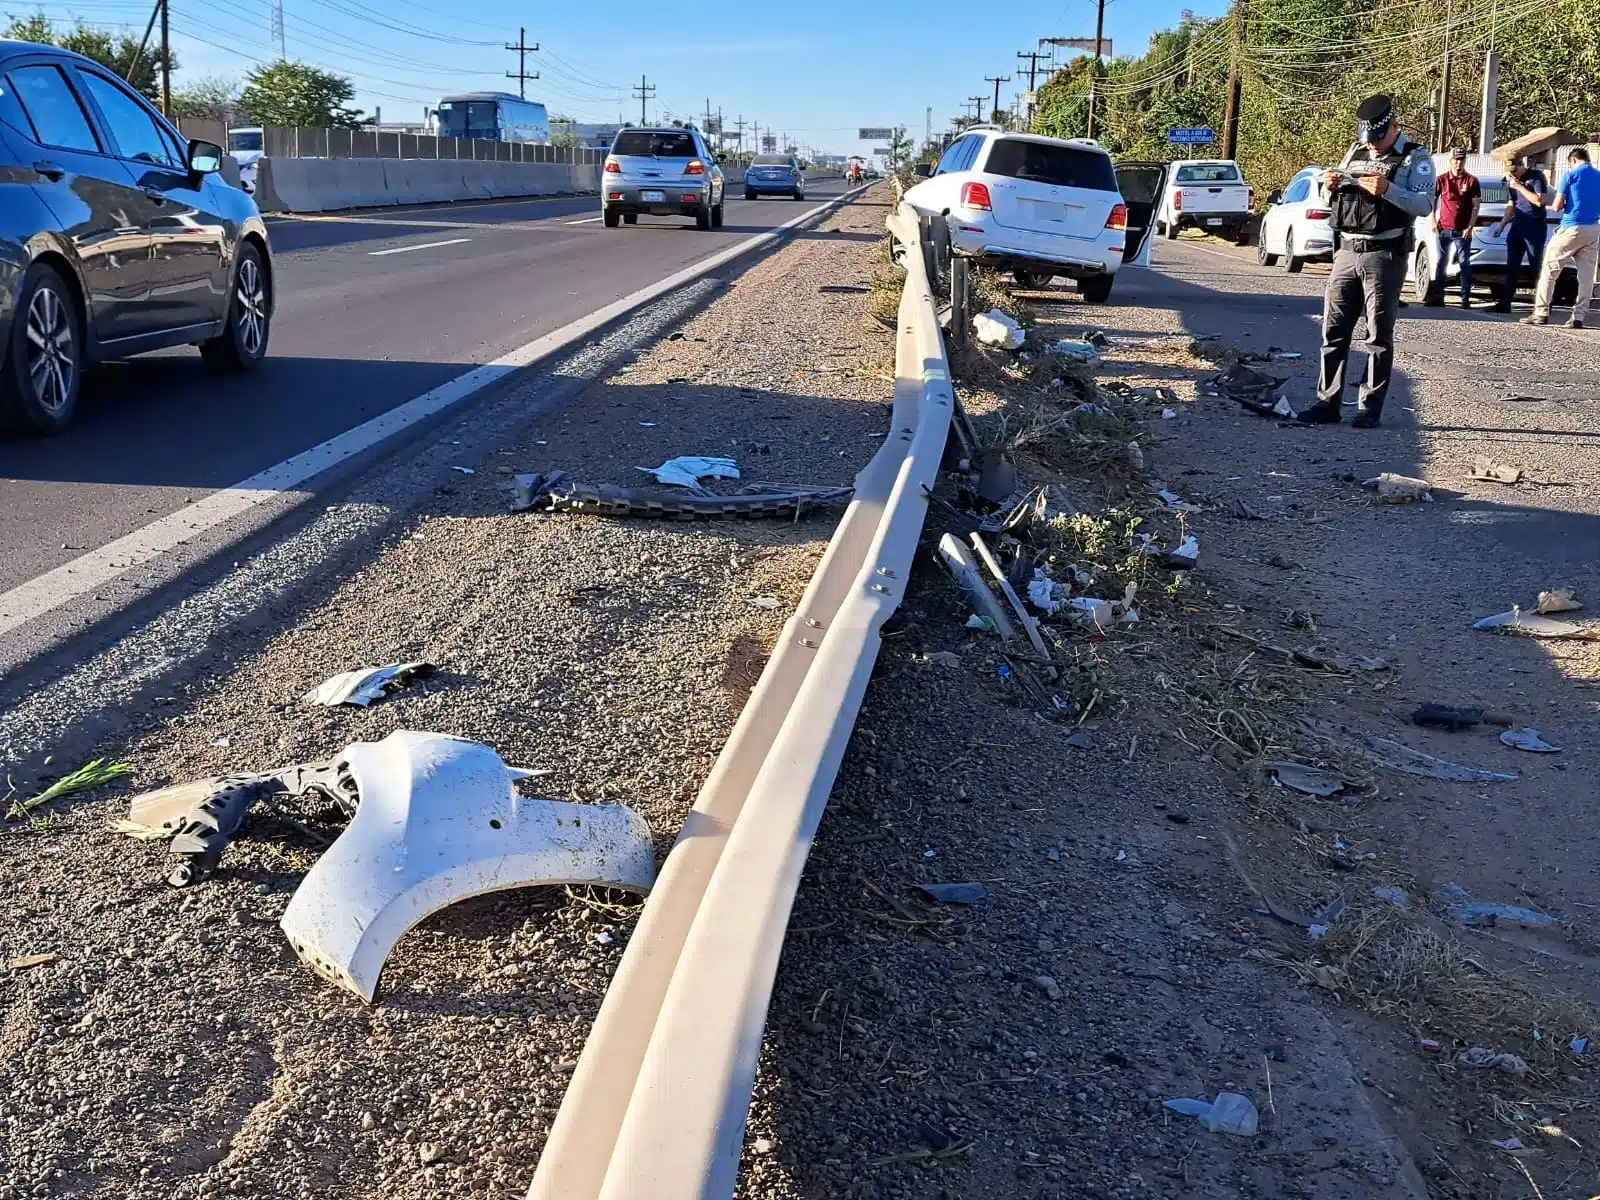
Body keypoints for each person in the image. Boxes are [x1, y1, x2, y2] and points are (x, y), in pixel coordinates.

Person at [1295, 95, 1434, 429]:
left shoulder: (1416, 157)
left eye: (1376, 140)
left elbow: (1425, 204)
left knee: (1377, 335)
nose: (1370, 147)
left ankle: (1369, 409)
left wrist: (1387, 189)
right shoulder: (1356, 152)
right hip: (1346, 252)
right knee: (1333, 331)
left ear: (1392, 128)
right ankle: (1326, 403)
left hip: (1384, 255)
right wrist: (1328, 187)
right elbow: (1338, 195)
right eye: (1366, 140)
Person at [1524, 146, 1600, 329]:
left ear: (1573, 160)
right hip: (1593, 229)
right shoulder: (1598, 176)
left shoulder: (1570, 176)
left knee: (1550, 270)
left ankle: (1541, 312)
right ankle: (1578, 317)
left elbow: (1557, 206)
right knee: (1586, 277)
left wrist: (1549, 207)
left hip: (1571, 227)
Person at [1492, 155, 1548, 313]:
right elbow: (1512, 203)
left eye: (1514, 170)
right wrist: (1502, 225)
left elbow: (1539, 201)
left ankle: (1543, 305)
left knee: (1536, 266)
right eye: (1510, 171)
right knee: (1511, 267)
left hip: (1534, 226)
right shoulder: (1512, 181)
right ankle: (1505, 303)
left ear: (1521, 165)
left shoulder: (1536, 176)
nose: (1513, 174)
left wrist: (1520, 187)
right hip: (1517, 226)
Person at [1429, 148, 1480, 308]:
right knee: (1441, 262)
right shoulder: (1442, 179)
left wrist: (1470, 226)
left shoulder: (1471, 181)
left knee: (1464, 263)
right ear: (1450, 161)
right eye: (1456, 160)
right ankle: (1438, 297)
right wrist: (1432, 221)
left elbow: (1476, 206)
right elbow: (1432, 200)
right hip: (1443, 228)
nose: (1459, 163)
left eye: (1461, 160)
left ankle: (1465, 298)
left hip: (1462, 230)